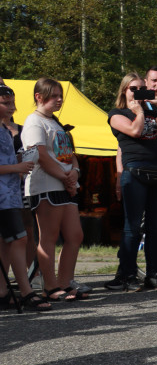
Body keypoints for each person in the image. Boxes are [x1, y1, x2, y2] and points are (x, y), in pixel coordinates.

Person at [106, 73, 157, 291]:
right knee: (133, 227)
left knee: (156, 227)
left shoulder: (152, 111)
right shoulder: (117, 114)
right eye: (133, 89)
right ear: (124, 91)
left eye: (141, 88)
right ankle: (127, 275)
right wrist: (139, 111)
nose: (137, 93)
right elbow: (135, 131)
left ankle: (154, 274)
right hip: (134, 172)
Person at [22, 77, 85, 302]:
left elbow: (71, 154)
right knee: (48, 237)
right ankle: (49, 286)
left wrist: (74, 173)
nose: (59, 100)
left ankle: (65, 283)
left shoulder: (56, 122)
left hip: (65, 184)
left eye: (61, 96)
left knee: (75, 235)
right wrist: (64, 177)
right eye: (54, 96)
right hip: (46, 186)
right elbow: (39, 155)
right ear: (39, 97)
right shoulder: (33, 122)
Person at [0, 85, 50, 311]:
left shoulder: (4, 130)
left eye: (12, 103)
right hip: (3, 196)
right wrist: (16, 166)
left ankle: (2, 292)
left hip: (10, 194)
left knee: (5, 243)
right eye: (6, 103)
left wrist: (20, 160)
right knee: (18, 239)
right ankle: (27, 292)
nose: (12, 108)